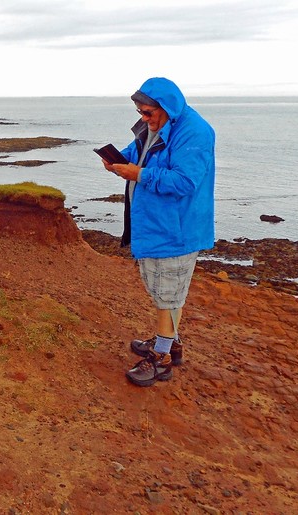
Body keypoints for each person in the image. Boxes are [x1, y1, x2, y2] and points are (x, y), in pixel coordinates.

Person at [100, 77, 216, 387]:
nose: (143, 117)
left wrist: (138, 174)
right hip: (154, 224)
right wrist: (118, 162)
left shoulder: (195, 132)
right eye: (140, 110)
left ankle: (161, 359)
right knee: (164, 290)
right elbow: (136, 151)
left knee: (167, 294)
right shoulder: (151, 125)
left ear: (165, 107)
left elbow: (184, 182)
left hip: (177, 229)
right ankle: (170, 343)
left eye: (148, 112)